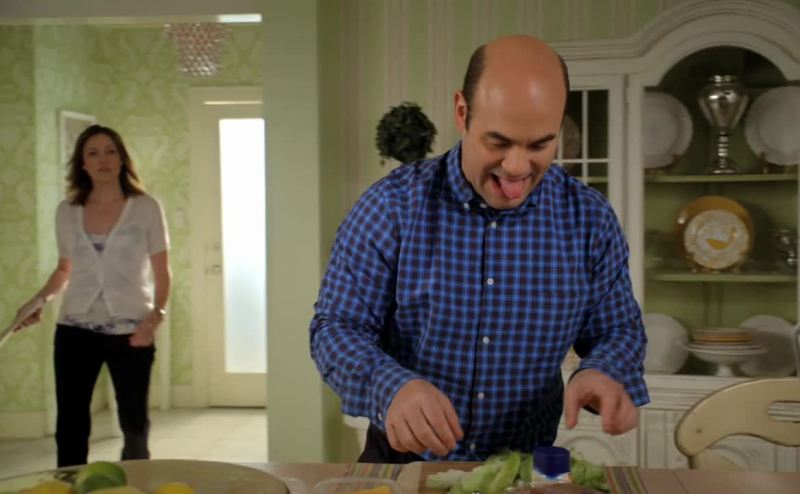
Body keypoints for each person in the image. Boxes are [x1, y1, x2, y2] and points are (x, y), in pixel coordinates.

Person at [309, 35, 649, 462]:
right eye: (498, 142)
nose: (517, 168)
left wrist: (604, 369)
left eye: (540, 144)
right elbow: (336, 327)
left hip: (521, 470)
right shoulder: (390, 207)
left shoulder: (591, 220)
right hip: (401, 466)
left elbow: (618, 330)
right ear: (462, 112)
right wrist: (389, 386)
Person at [14, 124, 171, 467]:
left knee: (134, 423)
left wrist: (155, 317)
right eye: (93, 153)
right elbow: (64, 270)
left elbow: (162, 271)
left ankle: (134, 484)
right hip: (74, 329)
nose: (103, 160)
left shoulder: (146, 207)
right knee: (70, 422)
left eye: (110, 151)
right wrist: (38, 301)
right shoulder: (66, 211)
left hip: (132, 330)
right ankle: (69, 484)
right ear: (82, 163)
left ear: (122, 159)